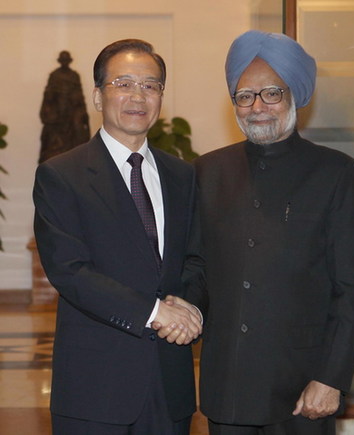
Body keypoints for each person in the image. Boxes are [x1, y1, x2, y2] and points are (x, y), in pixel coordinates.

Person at [194, 31, 354, 435]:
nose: (257, 107)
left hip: (303, 387)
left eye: (271, 93)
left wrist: (332, 377)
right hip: (228, 386)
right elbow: (197, 267)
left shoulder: (336, 173)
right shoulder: (207, 172)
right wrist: (181, 307)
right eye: (244, 95)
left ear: (294, 96)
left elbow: (351, 289)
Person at [33, 39, 207, 435]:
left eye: (150, 85)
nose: (138, 96)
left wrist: (190, 307)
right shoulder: (62, 175)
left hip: (170, 383)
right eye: (123, 83)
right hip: (95, 388)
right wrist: (155, 312)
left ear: (162, 96)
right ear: (97, 95)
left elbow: (197, 259)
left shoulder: (182, 175)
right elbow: (70, 271)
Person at [39, 50, 90, 163]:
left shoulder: (74, 76)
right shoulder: (54, 75)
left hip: (71, 110)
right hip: (57, 112)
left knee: (77, 138)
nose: (64, 62)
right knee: (51, 141)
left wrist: (83, 111)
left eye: (66, 60)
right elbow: (48, 94)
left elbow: (80, 95)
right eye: (63, 60)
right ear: (60, 61)